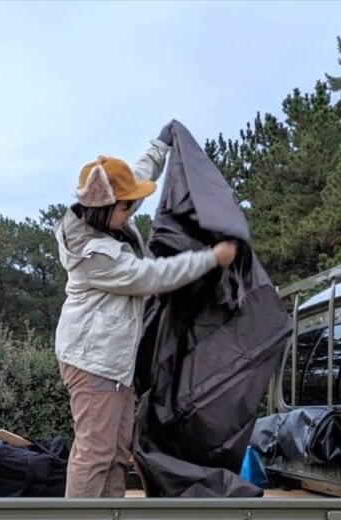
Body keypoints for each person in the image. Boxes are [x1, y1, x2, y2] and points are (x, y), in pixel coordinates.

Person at [54, 122, 238, 498]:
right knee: (95, 453)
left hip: (112, 360)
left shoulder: (107, 215)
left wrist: (160, 145)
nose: (132, 209)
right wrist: (211, 258)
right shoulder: (95, 256)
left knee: (118, 452)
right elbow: (152, 276)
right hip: (92, 362)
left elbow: (133, 180)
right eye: (126, 206)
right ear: (104, 209)